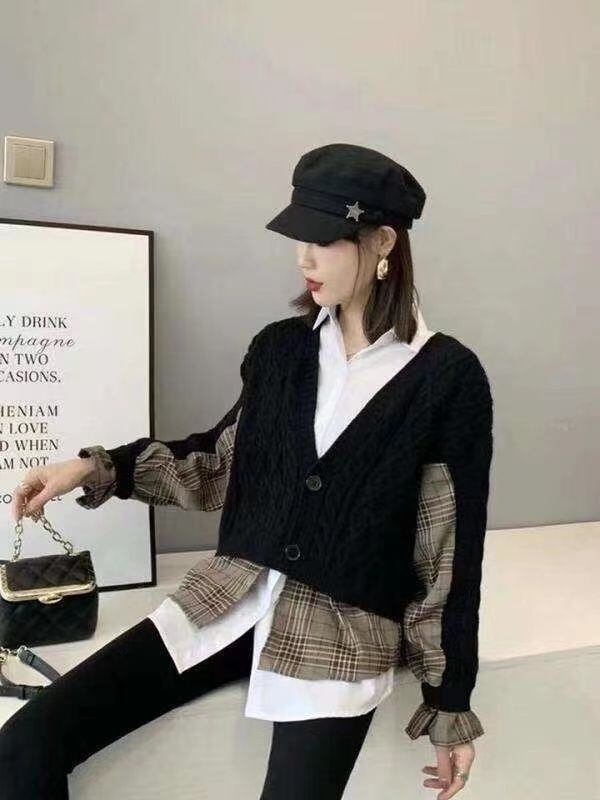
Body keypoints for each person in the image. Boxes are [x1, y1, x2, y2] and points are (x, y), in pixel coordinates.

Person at [0, 143, 494, 800]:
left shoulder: (446, 379)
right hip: (229, 597)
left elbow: (447, 549)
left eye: (324, 239)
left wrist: (449, 700)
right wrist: (93, 470)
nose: (304, 258)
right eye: (299, 239)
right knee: (24, 746)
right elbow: (217, 465)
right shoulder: (280, 351)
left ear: (383, 241)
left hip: (339, 632)